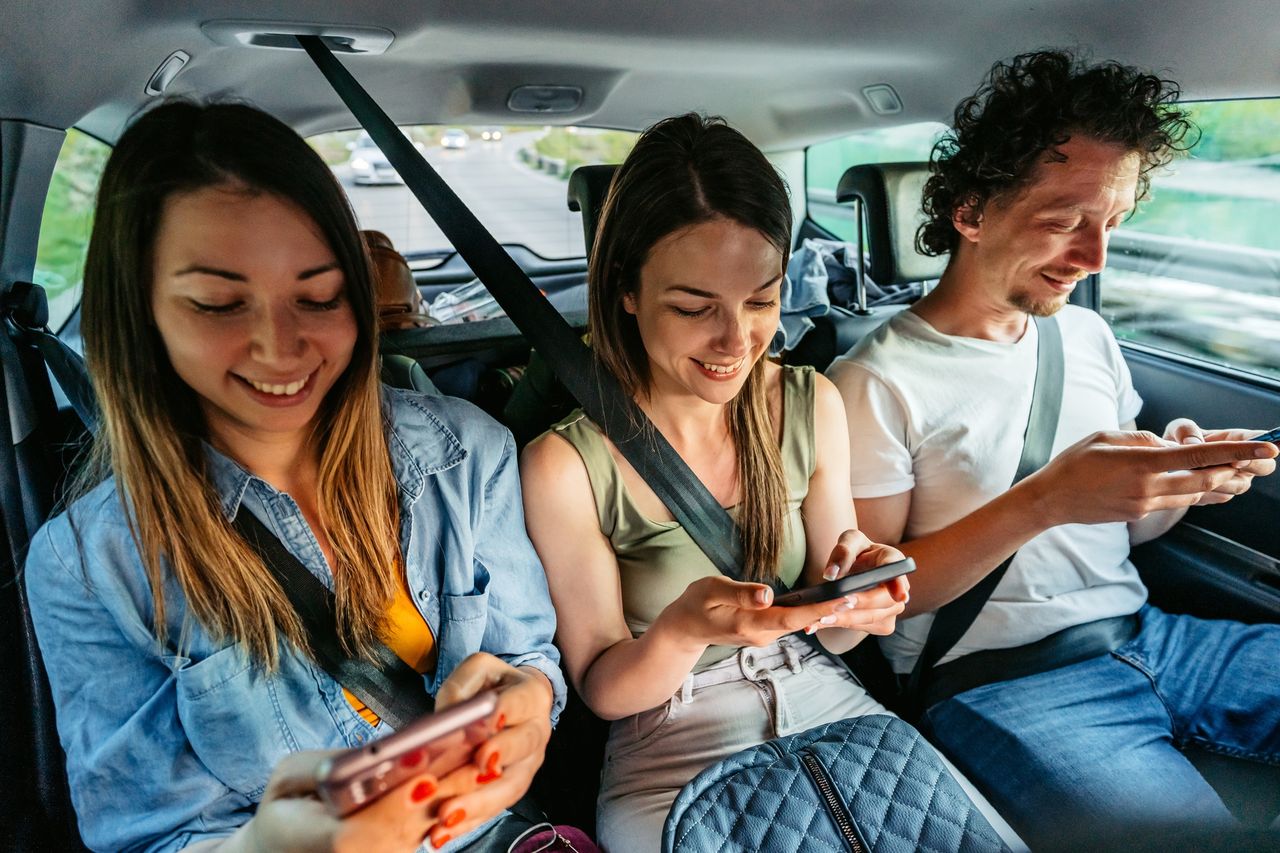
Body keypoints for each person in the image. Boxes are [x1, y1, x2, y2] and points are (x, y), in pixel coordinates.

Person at [23, 101, 565, 853]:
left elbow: (528, 657)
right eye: (219, 303)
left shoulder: (468, 453)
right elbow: (145, 836)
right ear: (140, 313)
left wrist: (531, 703)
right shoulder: (91, 564)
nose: (282, 347)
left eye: (319, 296)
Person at [519, 113, 1021, 853]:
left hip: (831, 705)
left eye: (760, 300)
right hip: (669, 747)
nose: (736, 341)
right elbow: (602, 684)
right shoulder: (565, 464)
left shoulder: (809, 402)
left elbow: (842, 635)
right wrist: (685, 630)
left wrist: (862, 589)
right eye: (694, 308)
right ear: (626, 290)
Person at [826, 50, 1280, 845]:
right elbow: (873, 600)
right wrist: (1045, 499)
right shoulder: (872, 381)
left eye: (1113, 222)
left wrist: (1178, 481)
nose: (1096, 257)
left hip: (1154, 635)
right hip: (1002, 682)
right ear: (971, 214)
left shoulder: (1085, 333)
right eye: (1065, 221)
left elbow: (1129, 534)